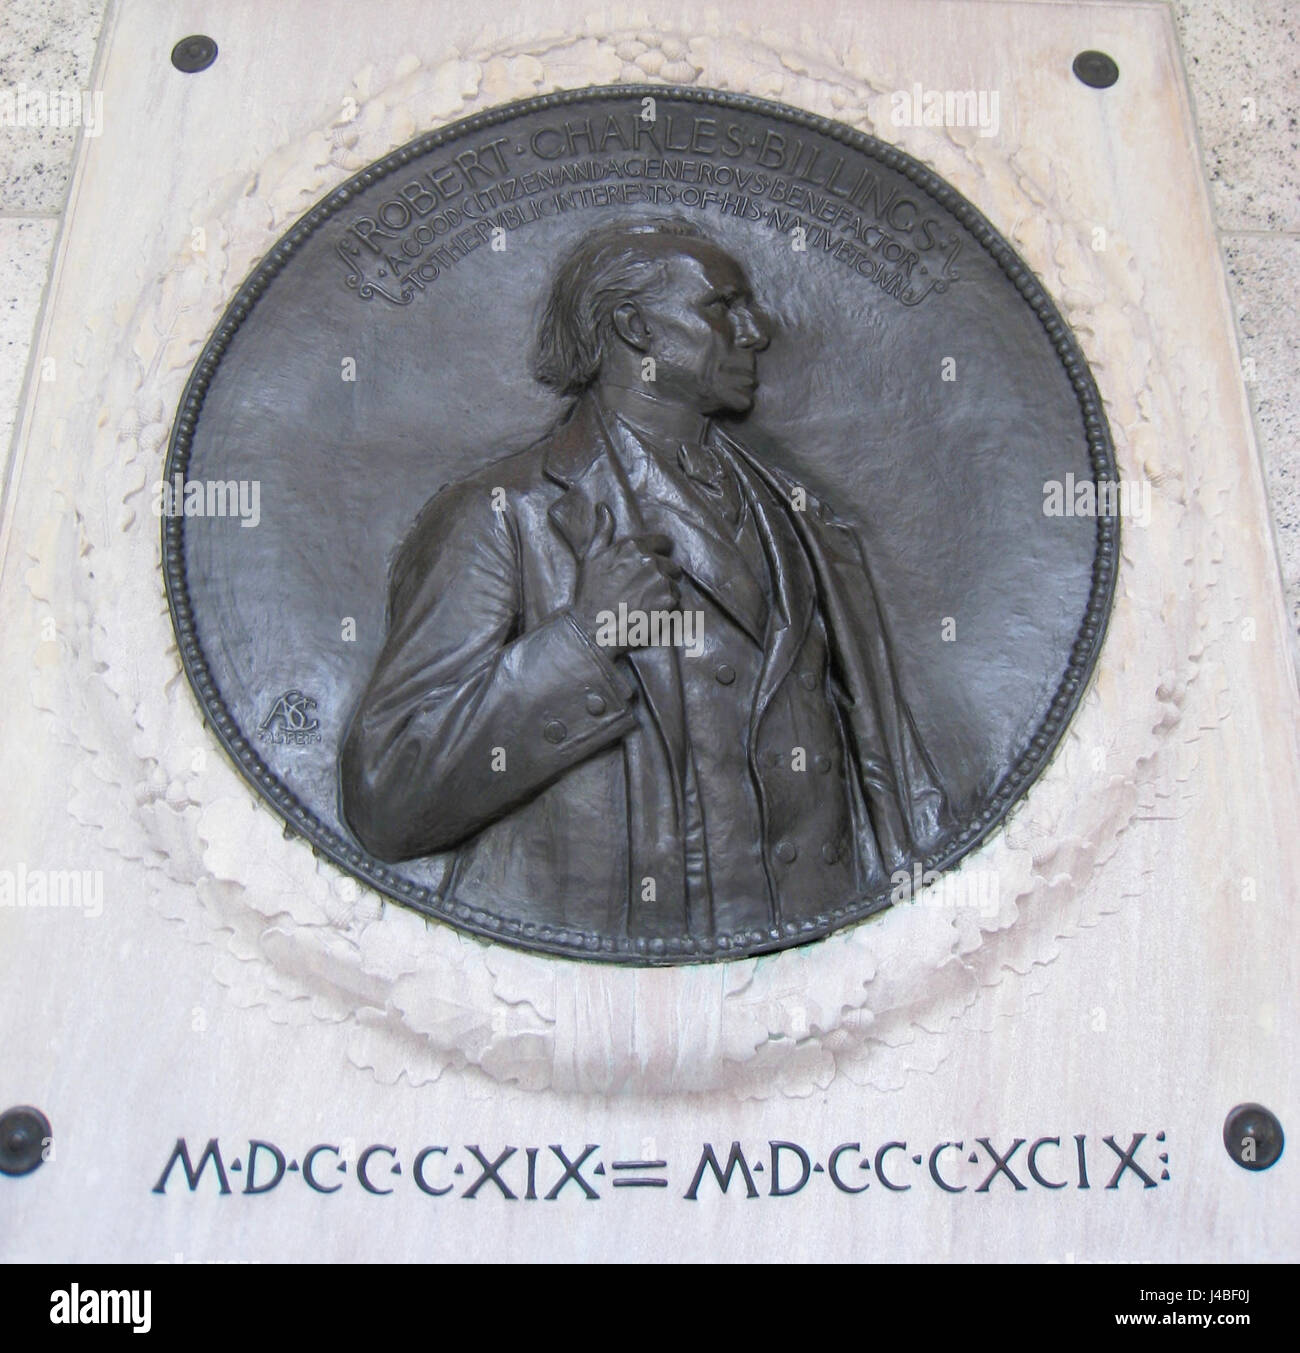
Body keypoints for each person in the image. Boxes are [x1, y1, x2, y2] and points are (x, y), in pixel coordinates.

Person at [340, 216, 950, 955]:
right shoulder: (503, 515)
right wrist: (583, 641)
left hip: (826, 975)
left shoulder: (813, 529)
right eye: (723, 307)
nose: (757, 330)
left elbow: (888, 770)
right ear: (635, 328)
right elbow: (387, 796)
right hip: (591, 984)